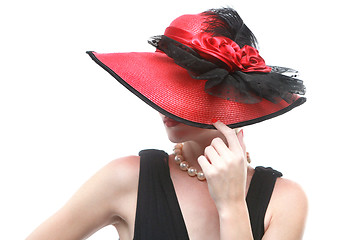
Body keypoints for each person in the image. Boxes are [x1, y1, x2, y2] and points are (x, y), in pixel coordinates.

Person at [26, 7, 308, 240]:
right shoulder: (126, 178)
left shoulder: (285, 200)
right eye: (164, 86)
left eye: (186, 90)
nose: (163, 105)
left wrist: (232, 206)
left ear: (230, 93)